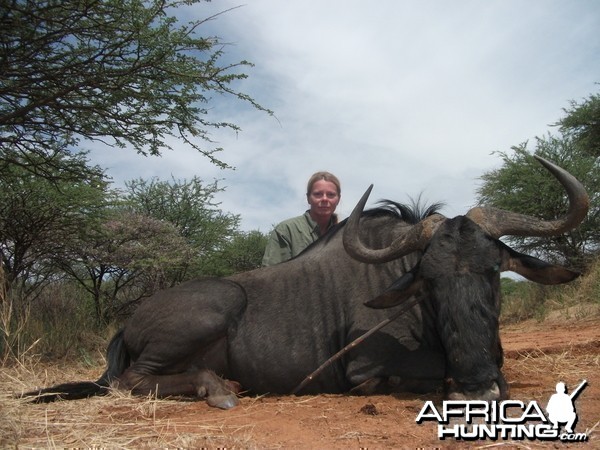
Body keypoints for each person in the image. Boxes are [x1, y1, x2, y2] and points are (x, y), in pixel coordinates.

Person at [262, 171, 341, 266]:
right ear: (308, 198)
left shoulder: (344, 235)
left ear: (338, 199)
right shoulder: (286, 230)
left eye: (331, 195)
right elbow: (270, 275)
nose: (324, 199)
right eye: (318, 194)